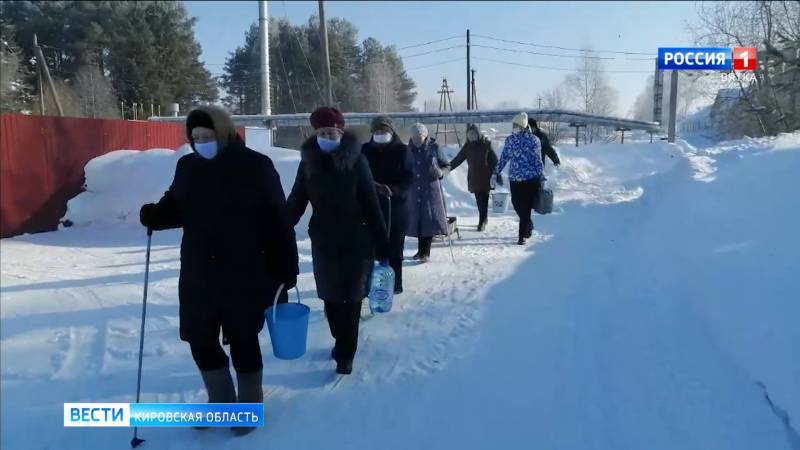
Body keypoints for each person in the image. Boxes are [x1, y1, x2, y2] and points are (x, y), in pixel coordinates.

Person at [139, 105, 298, 436]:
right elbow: (176, 206)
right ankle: (223, 404)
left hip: (246, 270)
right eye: (195, 137)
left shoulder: (256, 166)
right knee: (200, 338)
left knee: (242, 339)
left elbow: (279, 221)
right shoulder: (188, 166)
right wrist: (155, 214)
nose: (201, 142)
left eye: (207, 136)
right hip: (199, 271)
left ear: (224, 133)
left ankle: (249, 407)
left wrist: (287, 269)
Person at [286, 106, 389, 375]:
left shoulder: (358, 162)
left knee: (352, 298)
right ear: (315, 133)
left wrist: (383, 242)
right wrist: (278, 227)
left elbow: (370, 203)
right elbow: (296, 200)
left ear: (341, 132)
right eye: (322, 132)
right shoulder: (308, 163)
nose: (327, 136)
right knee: (331, 299)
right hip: (324, 241)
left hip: (358, 240)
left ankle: (346, 353)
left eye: (332, 131)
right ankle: (339, 338)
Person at [361, 116, 413, 294]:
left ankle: (396, 283)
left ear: (391, 132)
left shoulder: (402, 151)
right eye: (377, 131)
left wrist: (394, 190)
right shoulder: (364, 150)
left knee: (395, 246)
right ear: (372, 132)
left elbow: (409, 178)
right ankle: (371, 282)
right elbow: (359, 175)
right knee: (371, 246)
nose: (381, 134)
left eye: (384, 131)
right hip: (371, 204)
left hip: (396, 206)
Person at [494, 112, 544, 245]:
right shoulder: (510, 140)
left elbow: (538, 160)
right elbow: (504, 157)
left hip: (530, 179)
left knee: (526, 208)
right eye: (513, 125)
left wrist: (541, 176)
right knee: (516, 204)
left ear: (522, 125)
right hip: (515, 179)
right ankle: (528, 224)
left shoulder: (534, 141)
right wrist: (496, 171)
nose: (514, 127)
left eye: (516, 125)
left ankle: (521, 237)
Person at [406, 123, 450, 262]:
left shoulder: (434, 148)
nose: (416, 140)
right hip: (414, 191)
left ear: (425, 137)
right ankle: (420, 251)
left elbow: (446, 165)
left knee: (429, 220)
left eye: (419, 137)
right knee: (418, 221)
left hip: (430, 191)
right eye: (414, 138)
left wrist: (440, 172)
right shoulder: (408, 150)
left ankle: (426, 253)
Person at [449, 124, 498, 232]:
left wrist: (496, 173)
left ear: (478, 134)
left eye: (473, 135)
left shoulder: (486, 145)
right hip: (474, 177)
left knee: (484, 199)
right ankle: (483, 217)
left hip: (486, 176)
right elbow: (458, 159)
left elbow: (494, 160)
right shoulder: (467, 147)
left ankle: (482, 220)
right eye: (470, 136)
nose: (472, 137)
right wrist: (447, 168)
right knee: (478, 199)